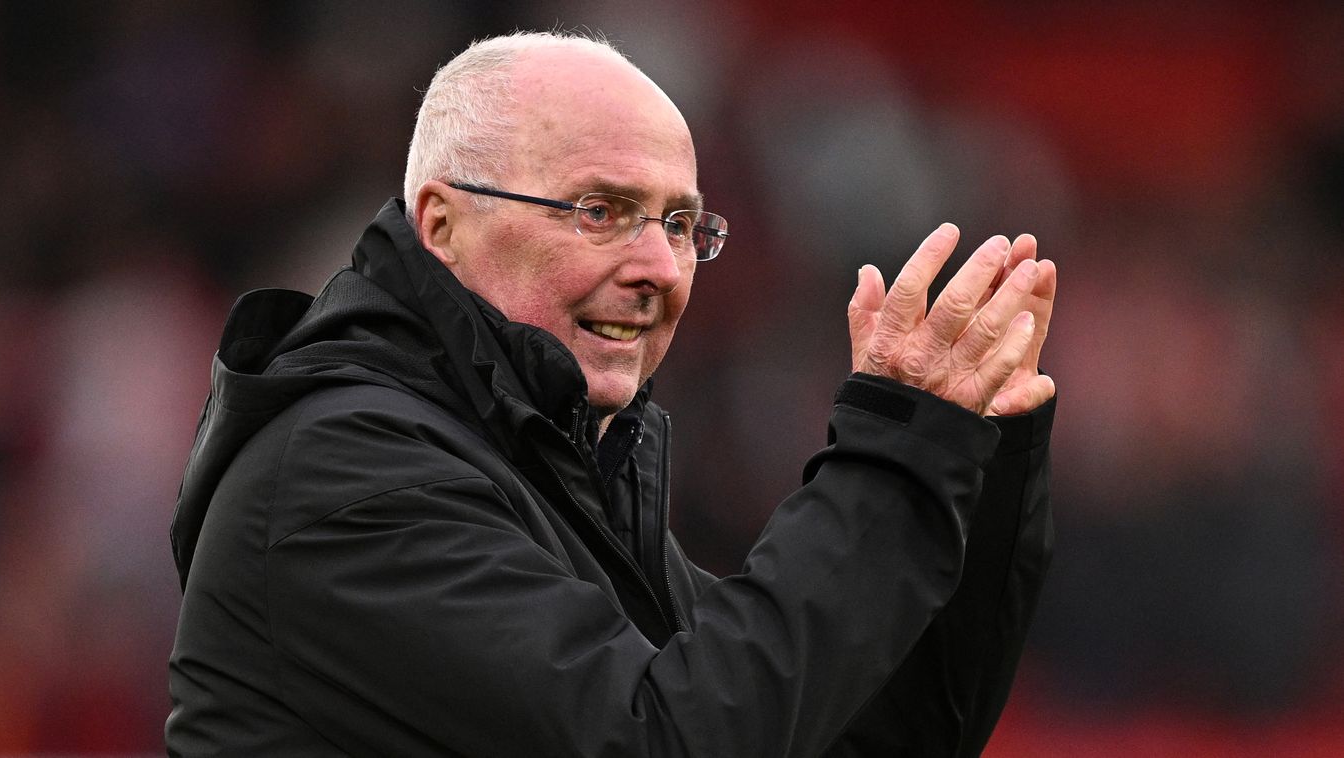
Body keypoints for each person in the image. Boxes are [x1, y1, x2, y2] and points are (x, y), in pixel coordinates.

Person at [166, 31, 1057, 757]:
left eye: (679, 224)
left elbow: (877, 738)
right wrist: (894, 447)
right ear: (442, 224)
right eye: (600, 212)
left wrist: (975, 455)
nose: (659, 269)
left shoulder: (557, 472)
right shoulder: (349, 471)